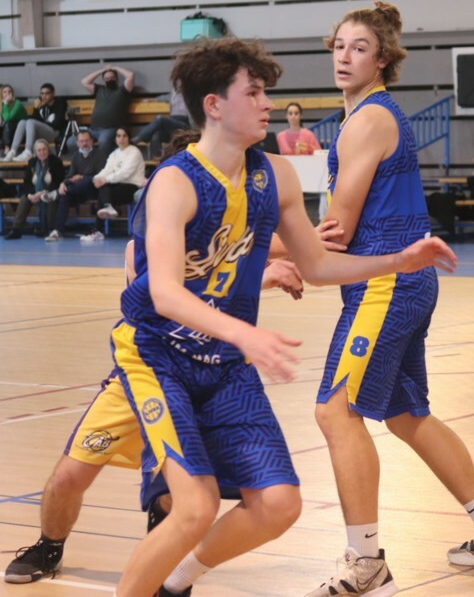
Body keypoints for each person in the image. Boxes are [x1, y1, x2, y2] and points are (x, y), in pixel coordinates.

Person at [108, 36, 456, 597]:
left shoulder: (276, 175)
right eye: (253, 92)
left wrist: (400, 260)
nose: (268, 103)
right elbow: (166, 294)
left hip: (224, 363)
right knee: (194, 506)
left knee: (278, 504)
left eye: (265, 91)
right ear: (214, 105)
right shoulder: (174, 181)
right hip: (159, 358)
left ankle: (174, 580)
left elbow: (317, 265)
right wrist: (246, 333)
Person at [302, 4, 474, 597]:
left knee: (335, 411)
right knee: (406, 413)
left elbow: (337, 230)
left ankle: (366, 562)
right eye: (339, 45)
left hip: (385, 285)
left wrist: (266, 252)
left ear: (382, 59)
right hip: (404, 282)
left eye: (359, 48)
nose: (344, 56)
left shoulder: (367, 121)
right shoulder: (367, 116)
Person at [3, 233, 306, 585]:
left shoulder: (232, 228)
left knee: (180, 493)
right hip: (146, 373)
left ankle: (168, 565)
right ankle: (49, 545)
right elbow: (170, 305)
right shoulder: (143, 244)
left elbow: (289, 244)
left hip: (210, 376)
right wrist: (261, 277)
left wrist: (311, 242)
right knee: (69, 477)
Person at [82, 126, 145, 241]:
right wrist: (97, 178)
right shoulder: (114, 154)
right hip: (117, 186)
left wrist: (105, 180)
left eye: (124, 136)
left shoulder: (134, 152)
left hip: (133, 186)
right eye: (118, 136)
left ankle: (98, 230)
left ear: (129, 138)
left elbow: (125, 173)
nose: (121, 139)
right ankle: (107, 209)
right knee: (103, 189)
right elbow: (107, 170)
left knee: (104, 189)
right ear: (115, 139)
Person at [45, 129, 104, 242]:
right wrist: (63, 183)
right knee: (64, 195)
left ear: (92, 141)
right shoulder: (76, 156)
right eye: (81, 141)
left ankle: (56, 193)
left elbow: (100, 175)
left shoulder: (99, 154)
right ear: (77, 143)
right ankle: (57, 231)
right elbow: (70, 175)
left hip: (94, 189)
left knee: (88, 180)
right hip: (78, 191)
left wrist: (82, 177)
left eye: (87, 140)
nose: (84, 143)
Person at [4, 139, 65, 240]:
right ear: (35, 152)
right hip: (35, 192)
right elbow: (27, 183)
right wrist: (30, 195)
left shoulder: (56, 161)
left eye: (44, 149)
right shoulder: (32, 162)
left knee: (50, 198)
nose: (42, 152)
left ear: (48, 150)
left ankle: (50, 229)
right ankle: (16, 229)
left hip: (52, 192)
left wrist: (42, 193)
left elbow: (58, 182)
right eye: (39, 150)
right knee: (24, 199)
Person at [79, 65, 135, 158]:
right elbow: (84, 82)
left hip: (110, 129)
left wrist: (115, 68)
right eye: (107, 78)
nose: (110, 80)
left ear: (117, 78)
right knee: (71, 142)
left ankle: (101, 164)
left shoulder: (123, 90)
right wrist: (101, 70)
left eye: (112, 77)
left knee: (103, 142)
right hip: (93, 129)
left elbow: (130, 75)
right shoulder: (99, 89)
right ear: (103, 80)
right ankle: (86, 162)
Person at [3, 83, 67, 163]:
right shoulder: (42, 106)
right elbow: (35, 120)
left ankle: (28, 152)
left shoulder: (60, 103)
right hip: (43, 132)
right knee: (22, 122)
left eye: (47, 93)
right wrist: (36, 109)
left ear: (53, 94)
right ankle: (12, 151)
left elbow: (58, 123)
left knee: (30, 122)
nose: (44, 96)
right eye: (42, 94)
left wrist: (42, 124)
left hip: (55, 132)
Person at [132, 89, 192, 157]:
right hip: (172, 125)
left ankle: (139, 138)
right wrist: (151, 100)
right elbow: (162, 98)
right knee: (156, 135)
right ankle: (157, 158)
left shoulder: (190, 95)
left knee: (160, 119)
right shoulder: (173, 94)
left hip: (185, 126)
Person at [0, 84, 28, 157]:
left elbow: (7, 118)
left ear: (12, 94)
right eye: (5, 92)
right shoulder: (1, 104)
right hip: (8, 133)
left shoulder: (17, 103)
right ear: (1, 94)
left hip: (21, 132)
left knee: (7, 123)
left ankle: (7, 148)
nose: (7, 93)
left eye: (9, 91)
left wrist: (6, 104)